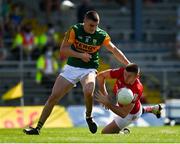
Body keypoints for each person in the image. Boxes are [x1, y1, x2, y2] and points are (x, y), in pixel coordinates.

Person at [23, 10, 130, 135]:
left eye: (96, 25)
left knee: (89, 89)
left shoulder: (101, 35)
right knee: (53, 97)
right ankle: (37, 128)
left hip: (89, 69)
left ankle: (89, 117)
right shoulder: (74, 30)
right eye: (91, 25)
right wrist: (81, 55)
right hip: (71, 68)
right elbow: (63, 50)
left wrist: (128, 64)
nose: (93, 28)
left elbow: (114, 49)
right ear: (84, 21)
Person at [95, 63, 162, 134]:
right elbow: (100, 76)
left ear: (137, 76)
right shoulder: (121, 72)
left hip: (130, 115)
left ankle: (124, 133)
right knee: (135, 108)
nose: (125, 78)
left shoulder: (137, 89)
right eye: (125, 74)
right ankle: (152, 109)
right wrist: (105, 95)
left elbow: (124, 113)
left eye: (129, 76)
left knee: (105, 132)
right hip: (130, 106)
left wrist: (107, 103)